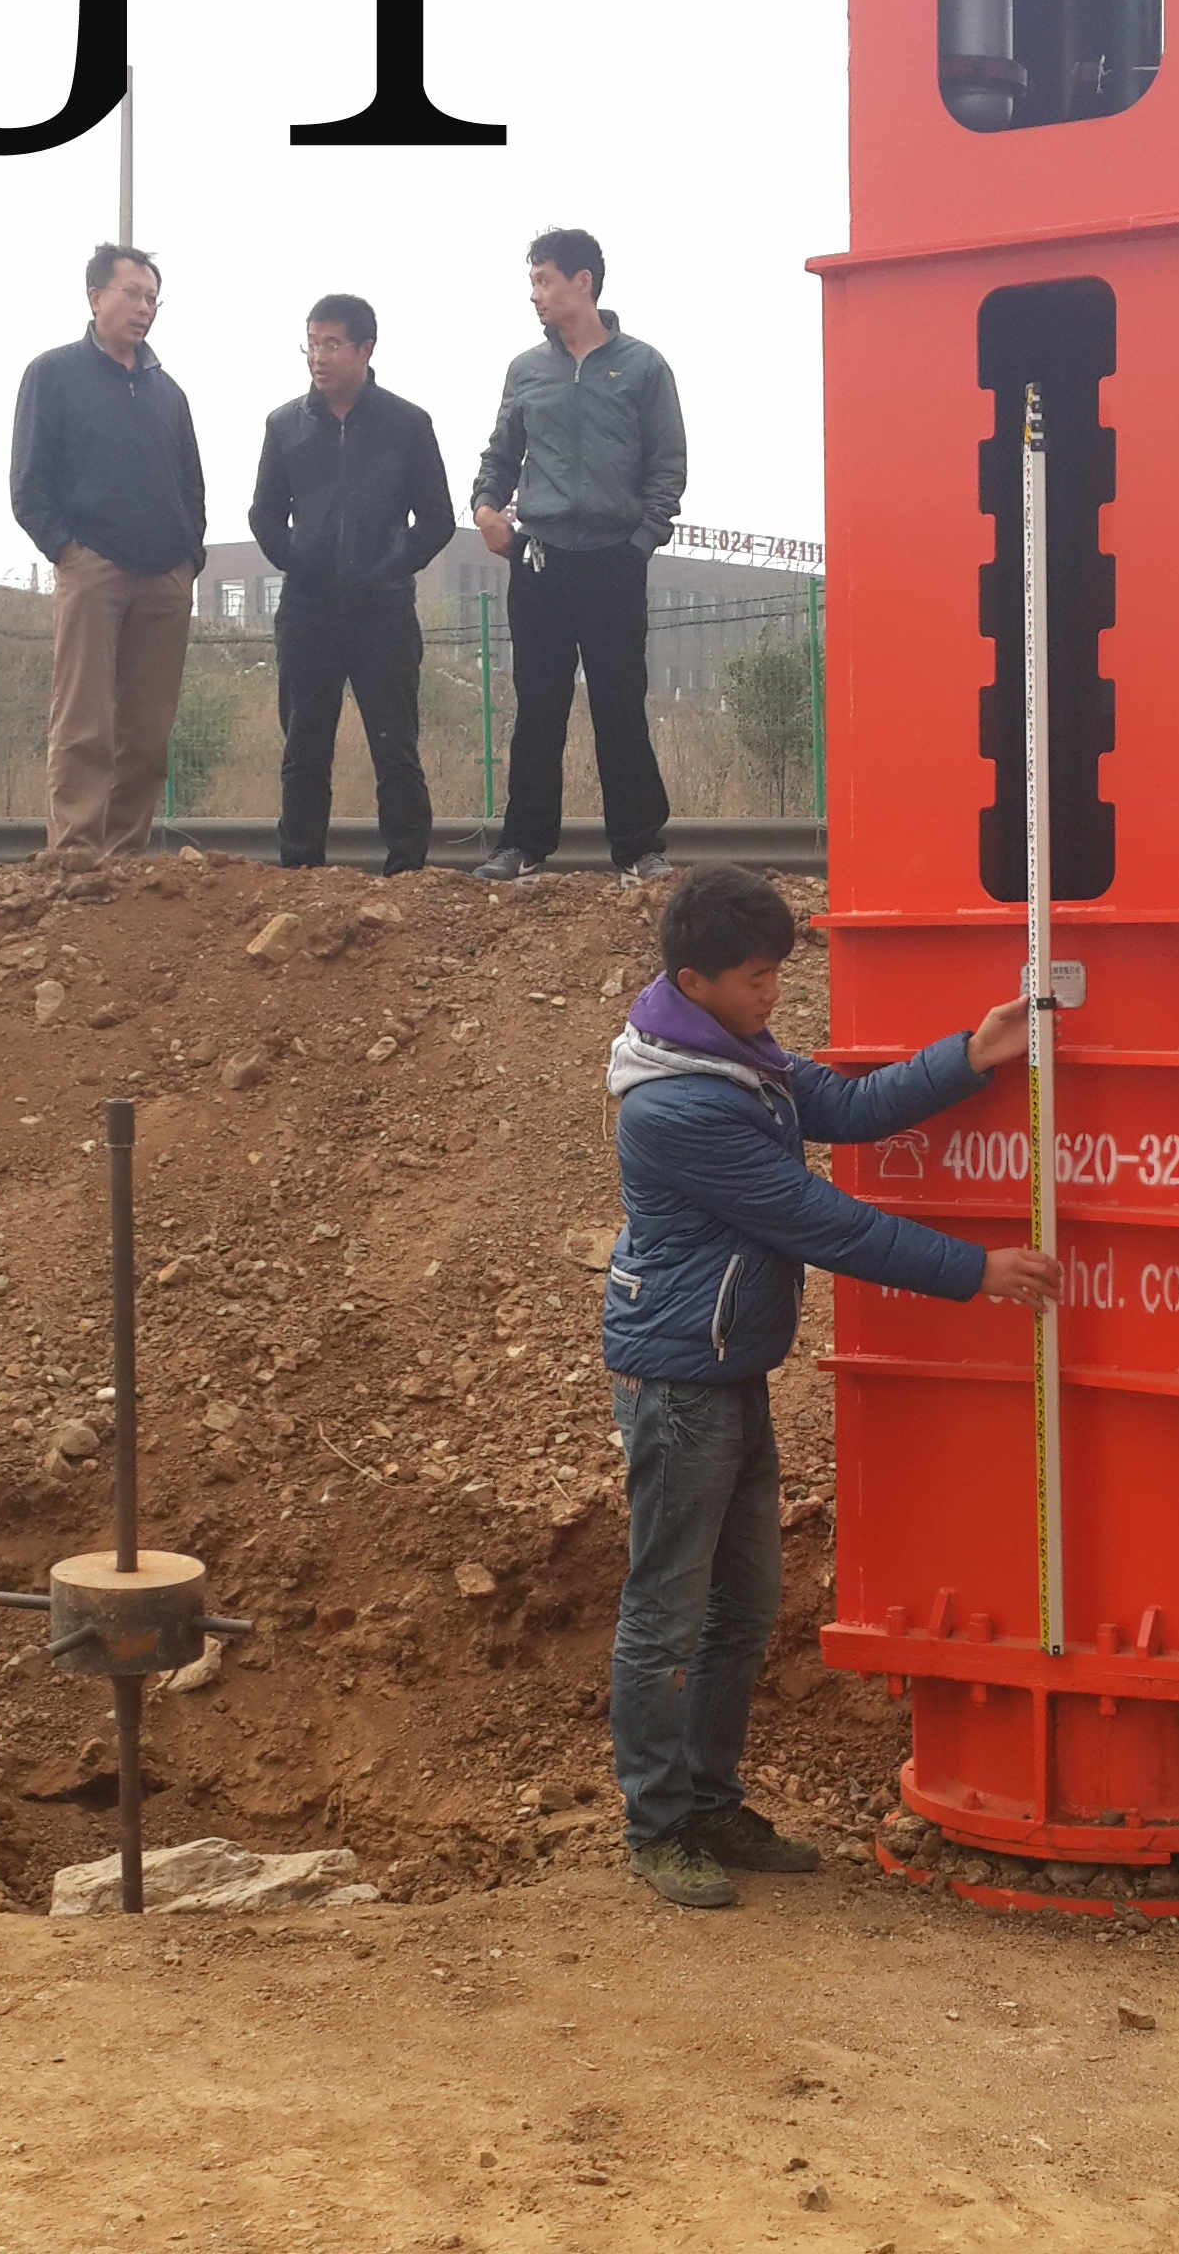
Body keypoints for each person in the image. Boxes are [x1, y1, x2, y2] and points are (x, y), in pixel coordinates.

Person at [599, 864, 1061, 1909]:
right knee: (667, 1615)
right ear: (695, 978)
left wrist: (972, 1057)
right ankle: (658, 1825)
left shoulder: (726, 1049)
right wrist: (975, 1271)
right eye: (759, 977)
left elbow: (846, 1106)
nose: (776, 995)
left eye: (776, 975)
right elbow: (819, 1220)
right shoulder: (677, 1104)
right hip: (678, 1383)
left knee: (741, 1603)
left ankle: (711, 1801)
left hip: (722, 1366)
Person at [469, 228, 686, 888]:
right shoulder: (526, 371)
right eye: (533, 280)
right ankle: (523, 844)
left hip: (614, 563)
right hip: (541, 563)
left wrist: (641, 541)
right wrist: (485, 507)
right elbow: (501, 455)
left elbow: (667, 465)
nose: (533, 293)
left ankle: (639, 849)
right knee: (538, 706)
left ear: (582, 282)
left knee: (620, 705)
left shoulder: (643, 367)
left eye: (543, 279)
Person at [10, 243, 206, 860]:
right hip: (93, 569)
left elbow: (192, 483)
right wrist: (68, 551)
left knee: (147, 732)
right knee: (85, 722)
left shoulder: (167, 392)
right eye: (132, 294)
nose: (144, 308)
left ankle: (125, 859)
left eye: (152, 297)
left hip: (164, 579)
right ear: (96, 297)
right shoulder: (53, 374)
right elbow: (28, 482)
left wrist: (188, 559)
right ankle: (74, 854)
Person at [249, 294, 454, 875]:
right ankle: (299, 869)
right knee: (304, 749)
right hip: (308, 611)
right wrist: (298, 560)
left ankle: (407, 871)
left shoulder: (407, 424)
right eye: (312, 343)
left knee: (395, 747)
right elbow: (264, 514)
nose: (319, 356)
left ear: (366, 349)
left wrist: (389, 566)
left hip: (382, 612)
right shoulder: (285, 425)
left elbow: (436, 518)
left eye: (332, 343)